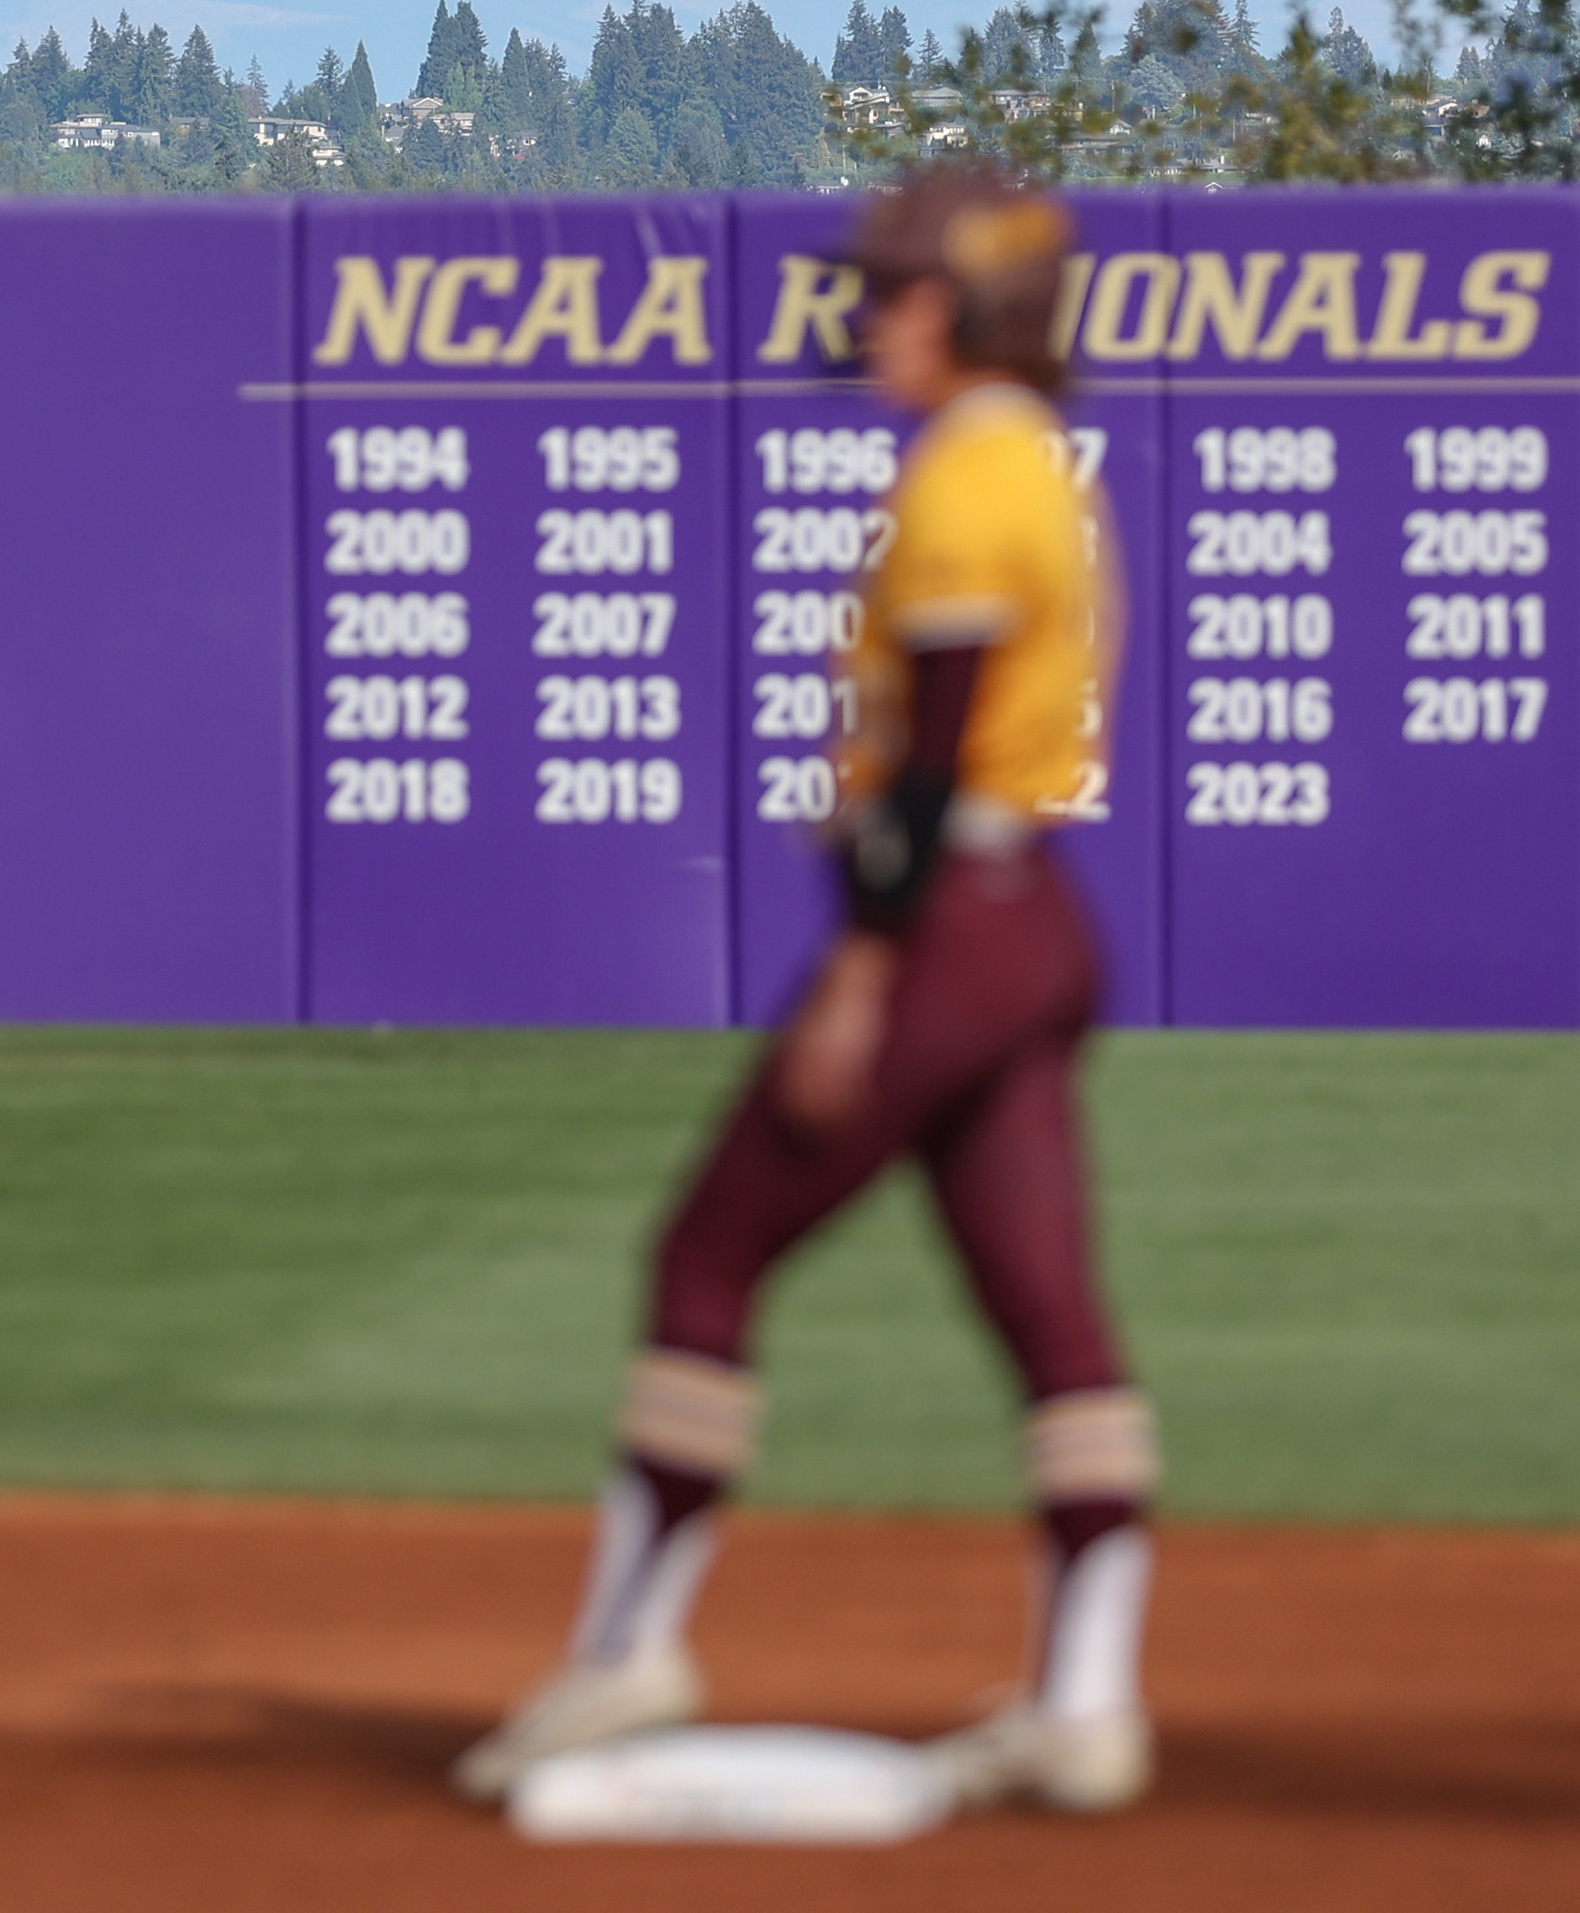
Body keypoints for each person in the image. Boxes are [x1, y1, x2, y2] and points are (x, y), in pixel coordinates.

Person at [455, 169, 1159, 1815]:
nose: (864, 312)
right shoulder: (1042, 468)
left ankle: (630, 1647)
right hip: (1032, 915)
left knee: (709, 1251)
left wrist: (860, 964)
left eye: (889, 288)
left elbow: (921, 770)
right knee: (1048, 1310)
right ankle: (1088, 1697)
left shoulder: (966, 479)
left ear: (946, 309)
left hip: (951, 930)